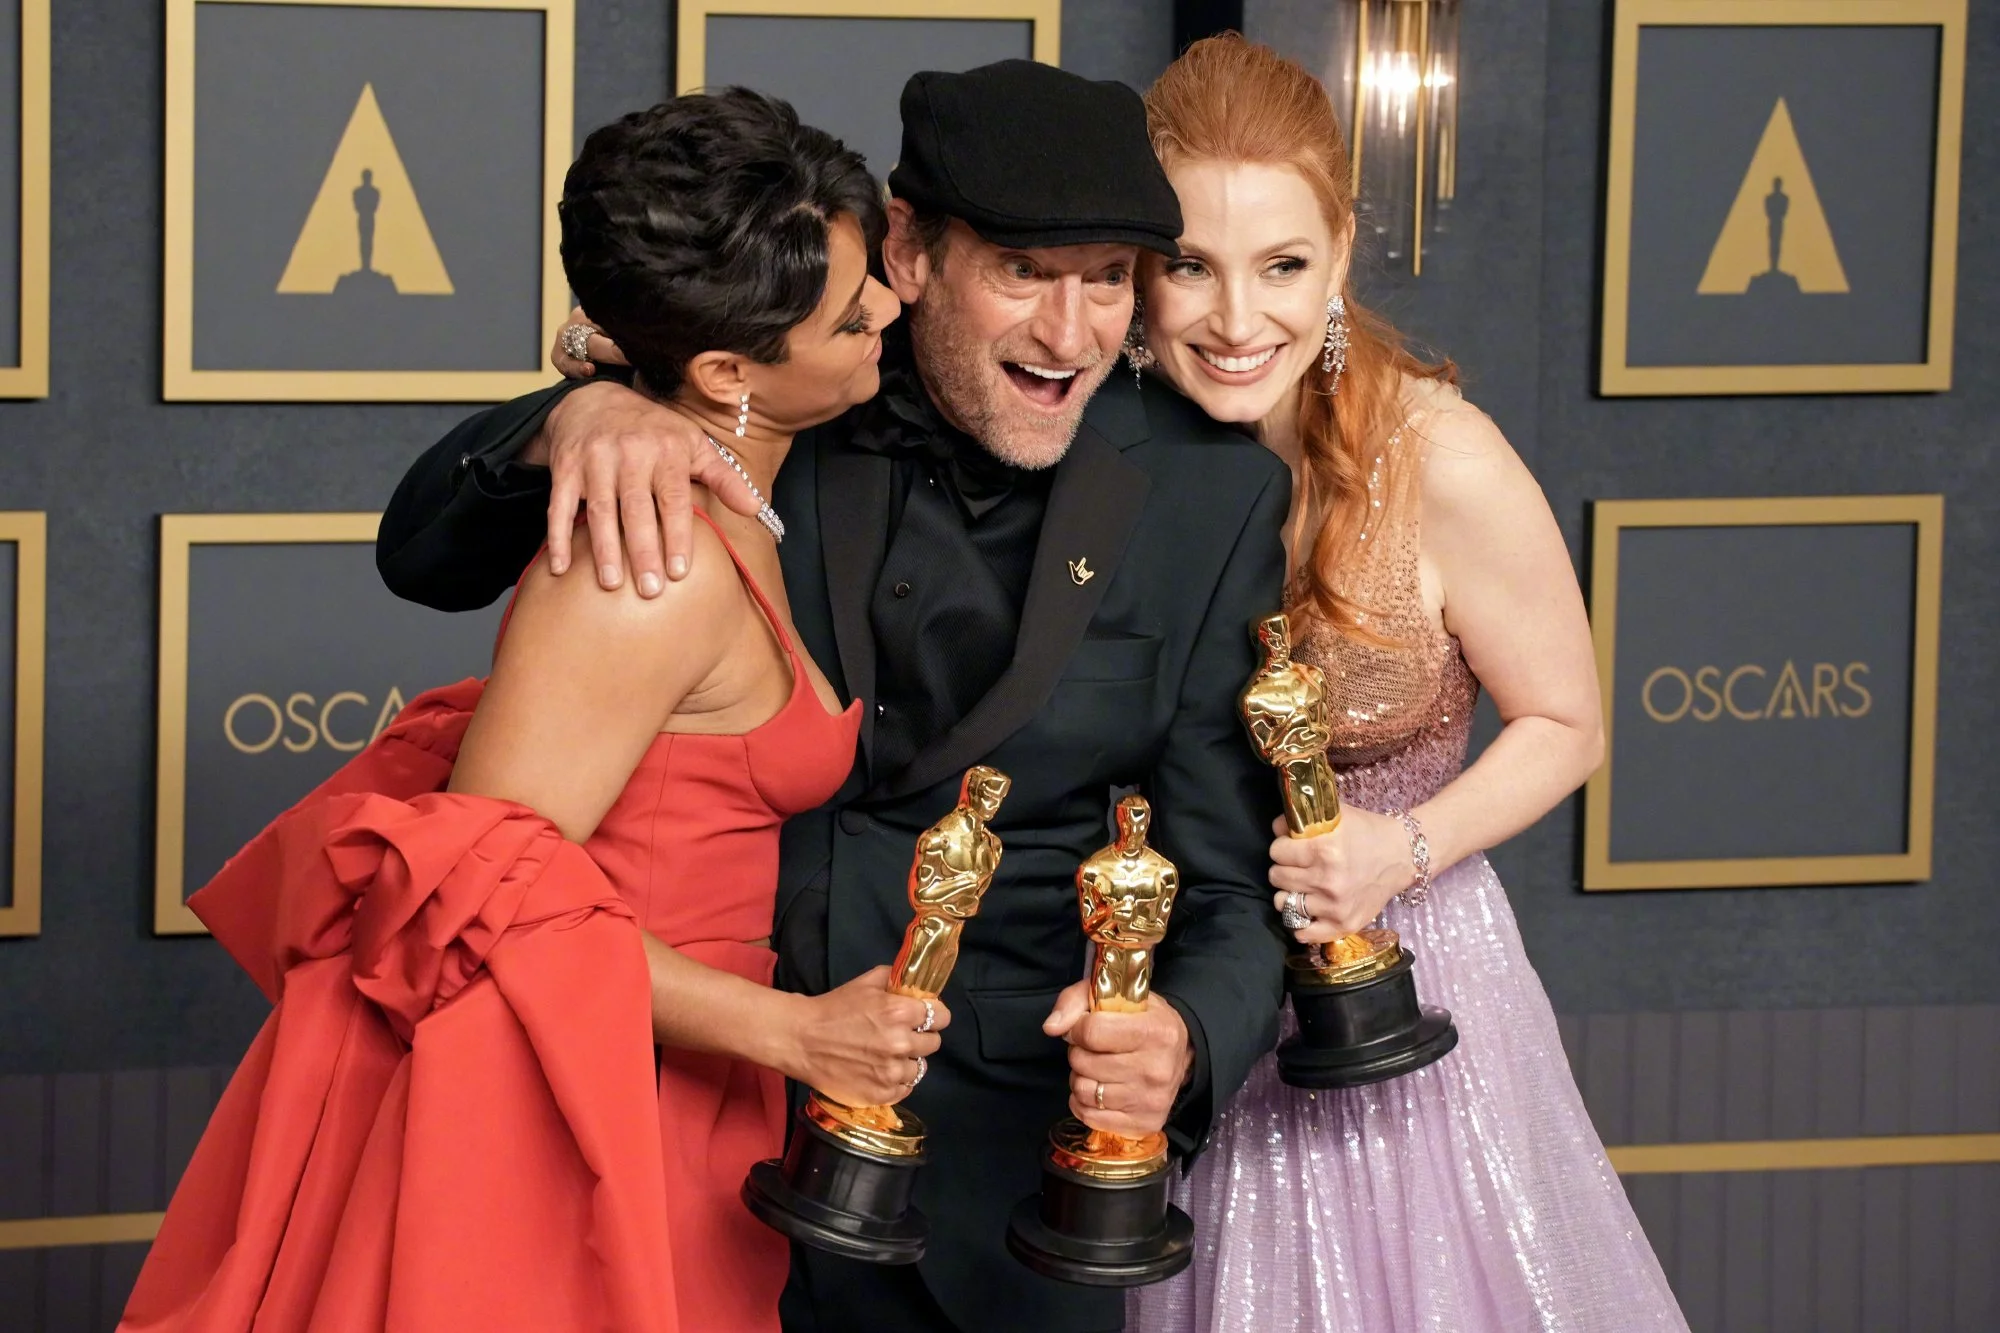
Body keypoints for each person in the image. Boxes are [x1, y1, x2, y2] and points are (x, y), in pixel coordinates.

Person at [375, 61, 1289, 1333]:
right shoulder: (794, 378)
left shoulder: (1209, 495)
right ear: (907, 250)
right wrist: (571, 417)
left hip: (998, 1185)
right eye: (1022, 272)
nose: (1069, 333)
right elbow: (422, 558)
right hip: (676, 1114)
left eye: (1106, 280)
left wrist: (1182, 1038)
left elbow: (1232, 882)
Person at [122, 91, 936, 1333]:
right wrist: (793, 1032)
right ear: (727, 371)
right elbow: (470, 896)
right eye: (850, 312)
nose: (888, 304)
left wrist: (590, 387)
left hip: (681, 1079)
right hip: (580, 1108)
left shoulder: (728, 489)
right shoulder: (647, 567)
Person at [1123, 37, 1687, 1330]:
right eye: (1189, 266)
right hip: (1174, 1008)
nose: (1235, 320)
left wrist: (1403, 847)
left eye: (1281, 266)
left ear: (1341, 251)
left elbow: (1567, 722)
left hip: (1401, 992)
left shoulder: (1439, 456)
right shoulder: (1095, 447)